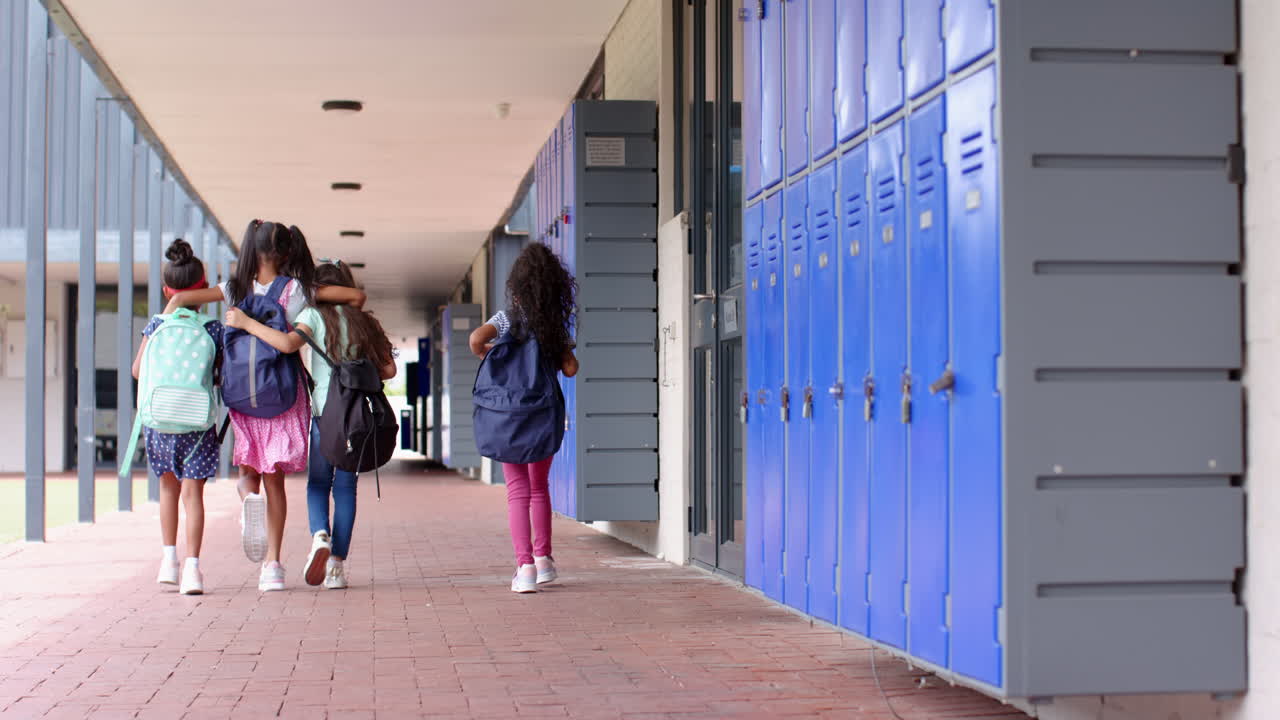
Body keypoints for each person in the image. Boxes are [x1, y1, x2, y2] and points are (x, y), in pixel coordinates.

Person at [165, 220, 362, 591]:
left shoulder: (233, 288)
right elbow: (355, 297)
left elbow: (181, 299)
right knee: (277, 481)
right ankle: (272, 566)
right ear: (287, 253)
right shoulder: (298, 290)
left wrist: (170, 312)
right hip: (284, 395)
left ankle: (247, 498)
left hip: (242, 396)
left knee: (248, 470)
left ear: (250, 252)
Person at [468, 243, 579, 593]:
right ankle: (544, 560)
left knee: (516, 489)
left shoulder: (505, 319)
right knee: (539, 487)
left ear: (516, 286)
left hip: (507, 414)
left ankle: (525, 566)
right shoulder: (553, 327)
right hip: (542, 414)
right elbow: (571, 369)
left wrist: (490, 353)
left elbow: (474, 339)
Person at [291, 260, 396, 589]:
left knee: (318, 483)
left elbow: (291, 345)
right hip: (357, 414)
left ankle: (320, 534)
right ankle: (336, 566)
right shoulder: (364, 322)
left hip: (326, 411)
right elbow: (390, 371)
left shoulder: (311, 317)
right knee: (346, 488)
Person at [132, 239, 222, 596]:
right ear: (203, 287)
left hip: (159, 420)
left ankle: (168, 561)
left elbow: (137, 370)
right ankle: (193, 571)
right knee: (193, 494)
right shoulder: (213, 330)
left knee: (167, 489)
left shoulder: (156, 324)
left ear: (167, 289)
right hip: (197, 424)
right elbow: (218, 376)